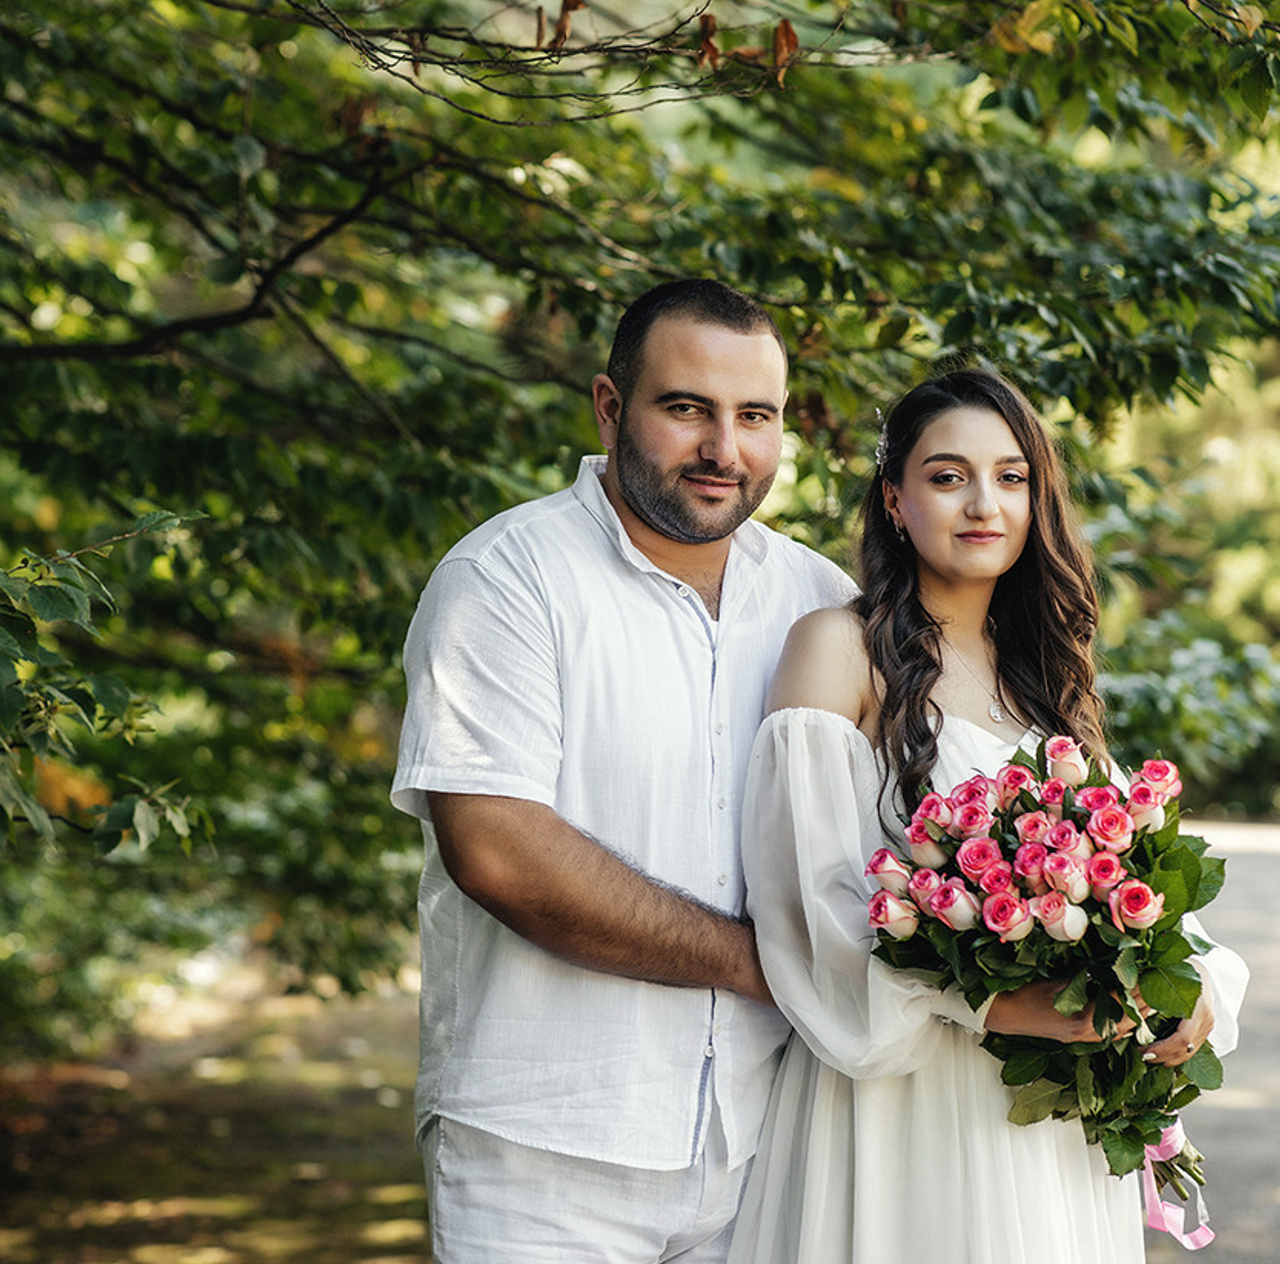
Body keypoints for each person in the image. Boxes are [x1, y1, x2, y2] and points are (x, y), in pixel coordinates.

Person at [727, 368, 1249, 1264]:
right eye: (946, 476)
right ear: (895, 499)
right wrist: (1001, 1002)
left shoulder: (1051, 679)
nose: (983, 503)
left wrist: (1188, 992)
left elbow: (1146, 891)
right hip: (905, 1101)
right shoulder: (837, 648)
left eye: (1011, 477)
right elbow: (806, 906)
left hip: (1047, 1119)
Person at [391, 279, 856, 1263]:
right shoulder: (505, 578)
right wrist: (762, 961)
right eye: (685, 407)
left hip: (768, 1144)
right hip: (542, 1159)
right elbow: (499, 853)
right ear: (609, 406)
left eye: (755, 416)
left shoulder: (824, 603)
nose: (723, 451)